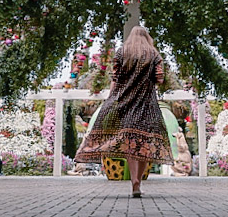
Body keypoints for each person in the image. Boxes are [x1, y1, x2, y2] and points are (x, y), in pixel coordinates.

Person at [74, 26, 173, 196]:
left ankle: (134, 179)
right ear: (146, 37)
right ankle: (138, 182)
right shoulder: (154, 54)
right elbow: (160, 78)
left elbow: (115, 79)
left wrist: (111, 99)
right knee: (144, 144)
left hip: (126, 104)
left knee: (129, 144)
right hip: (147, 105)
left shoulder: (122, 52)